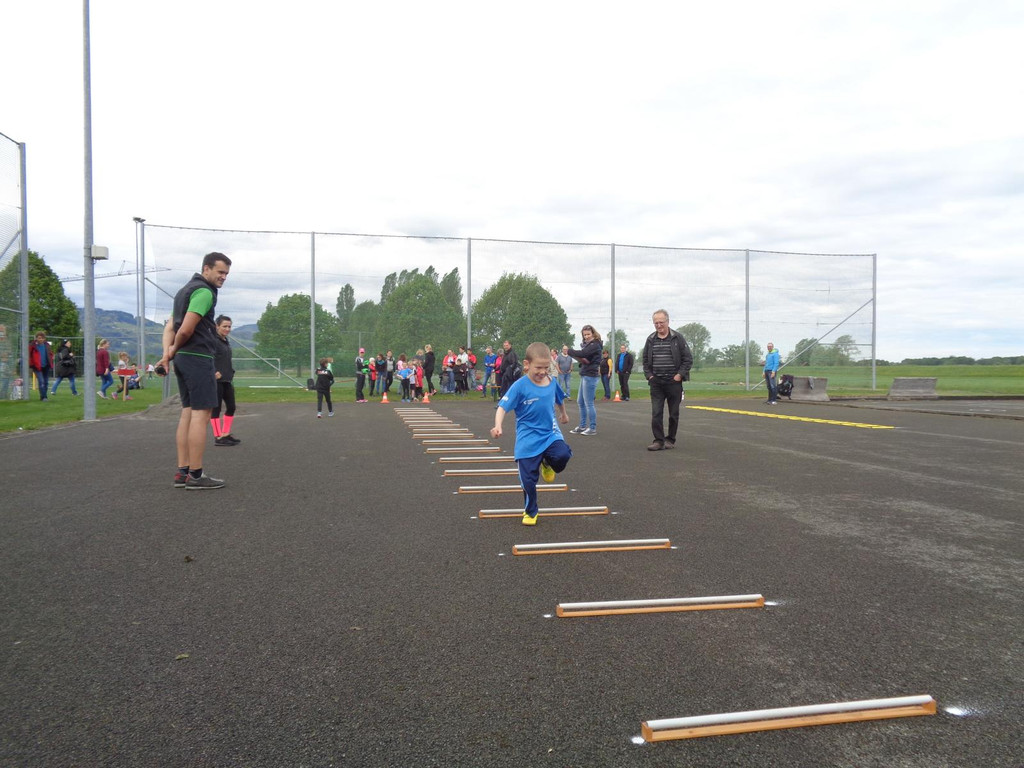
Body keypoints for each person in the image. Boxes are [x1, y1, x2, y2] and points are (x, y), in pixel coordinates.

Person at [156, 251, 232, 490]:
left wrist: (167, 354)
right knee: (201, 415)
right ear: (206, 268)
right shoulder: (204, 292)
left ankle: (183, 472)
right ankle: (196, 476)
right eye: (220, 272)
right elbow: (185, 329)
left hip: (183, 359)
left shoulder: (183, 292)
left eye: (226, 273)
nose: (223, 277)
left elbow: (170, 327)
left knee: (187, 413)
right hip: (197, 357)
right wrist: (172, 350)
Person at [491, 342, 572, 526]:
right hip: (527, 438)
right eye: (538, 368)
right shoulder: (519, 386)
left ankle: (548, 463)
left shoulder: (551, 382)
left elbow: (559, 398)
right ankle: (531, 511)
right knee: (528, 480)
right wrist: (498, 426)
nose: (543, 372)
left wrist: (563, 414)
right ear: (527, 364)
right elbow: (502, 407)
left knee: (563, 455)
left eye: (546, 367)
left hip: (550, 433)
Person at [642, 309, 693, 451]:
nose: (659, 325)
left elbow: (688, 359)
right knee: (656, 413)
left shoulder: (678, 338)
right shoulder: (650, 339)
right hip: (656, 382)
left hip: (673, 382)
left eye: (661, 322)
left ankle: (670, 439)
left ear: (668, 321)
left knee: (673, 413)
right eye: (656, 323)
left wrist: (679, 375)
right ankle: (658, 441)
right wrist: (650, 376)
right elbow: (645, 360)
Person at [566, 325, 603, 435]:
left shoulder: (595, 344)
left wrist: (569, 351)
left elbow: (583, 354)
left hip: (591, 375)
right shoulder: (588, 345)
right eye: (584, 335)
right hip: (585, 373)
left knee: (589, 403)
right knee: (580, 402)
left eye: (588, 334)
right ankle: (582, 426)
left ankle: (592, 427)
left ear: (593, 334)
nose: (586, 336)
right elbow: (584, 357)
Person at [212, 315, 240, 446]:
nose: (227, 329)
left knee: (231, 407)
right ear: (217, 326)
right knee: (216, 409)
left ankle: (225, 433)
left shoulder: (225, 341)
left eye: (229, 326)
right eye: (224, 326)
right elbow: (207, 357)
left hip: (227, 379)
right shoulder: (213, 341)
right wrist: (213, 371)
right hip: (216, 381)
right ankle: (218, 437)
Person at [28, 332, 53, 401]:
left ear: (44, 339)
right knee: (41, 381)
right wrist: (32, 364)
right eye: (39, 338)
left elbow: (50, 353)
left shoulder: (47, 345)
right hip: (37, 367)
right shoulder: (33, 346)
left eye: (42, 338)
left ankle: (43, 396)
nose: (40, 339)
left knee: (46, 382)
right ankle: (44, 397)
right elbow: (29, 355)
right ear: (36, 338)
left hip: (46, 366)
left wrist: (51, 359)